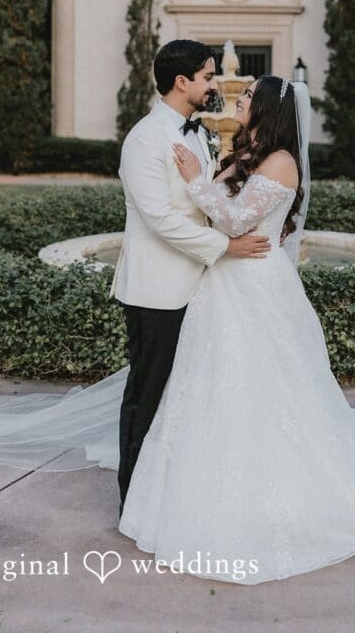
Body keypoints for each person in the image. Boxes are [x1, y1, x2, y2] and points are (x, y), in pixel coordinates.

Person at [0, 61, 355, 586]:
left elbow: (234, 217)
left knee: (262, 384)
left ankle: (263, 487)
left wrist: (199, 179)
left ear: (266, 109)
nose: (234, 96)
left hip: (254, 284)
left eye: (247, 97)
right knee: (205, 383)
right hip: (221, 283)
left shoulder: (281, 162)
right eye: (222, 84)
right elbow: (212, 215)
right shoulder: (233, 149)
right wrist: (209, 180)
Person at [110, 40, 271, 516]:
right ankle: (132, 501)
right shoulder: (144, 139)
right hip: (156, 291)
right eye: (207, 76)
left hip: (198, 288)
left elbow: (203, 201)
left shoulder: (196, 133)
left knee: (183, 397)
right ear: (182, 83)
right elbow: (160, 219)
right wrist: (227, 248)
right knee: (148, 394)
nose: (215, 84)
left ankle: (168, 494)